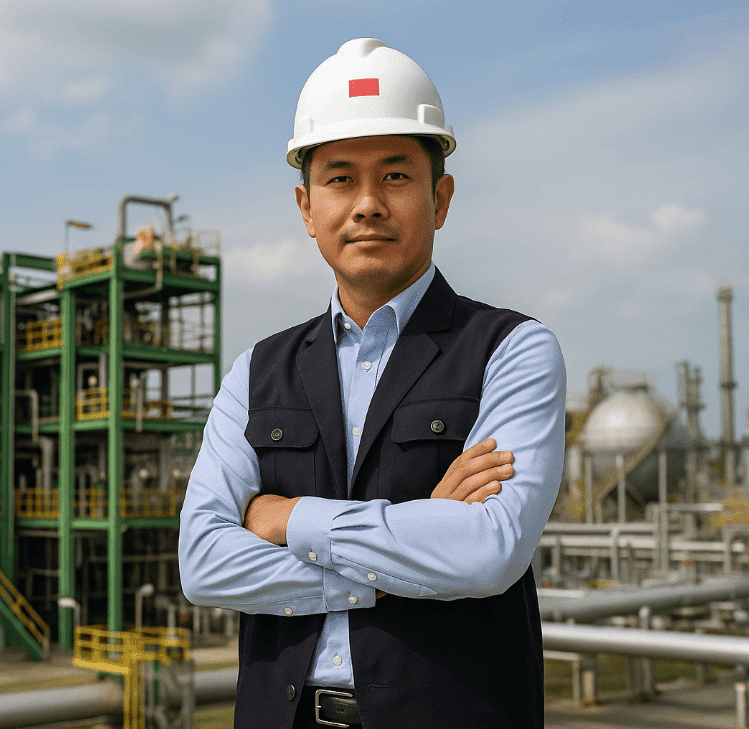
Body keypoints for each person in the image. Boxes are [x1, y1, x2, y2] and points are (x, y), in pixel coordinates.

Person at [178, 38, 566, 729]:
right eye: (338, 180)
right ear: (305, 207)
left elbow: (488, 549)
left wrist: (285, 517)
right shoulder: (255, 372)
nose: (366, 204)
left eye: (394, 177)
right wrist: (398, 563)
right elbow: (205, 562)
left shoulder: (512, 351)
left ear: (439, 197)